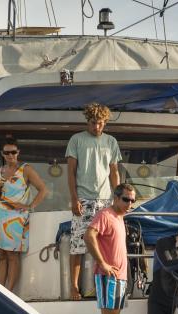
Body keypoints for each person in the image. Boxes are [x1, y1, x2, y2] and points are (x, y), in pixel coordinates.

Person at [66, 102, 122, 300]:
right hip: (83, 199)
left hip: (106, 201)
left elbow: (114, 172)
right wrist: (74, 199)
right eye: (92, 123)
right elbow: (71, 172)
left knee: (107, 245)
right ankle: (74, 288)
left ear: (105, 122)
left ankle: (106, 286)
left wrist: (118, 199)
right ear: (87, 122)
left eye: (99, 123)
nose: (96, 127)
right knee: (78, 245)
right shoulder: (76, 140)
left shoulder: (111, 142)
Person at [84, 183, 136, 314]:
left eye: (132, 200)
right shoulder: (105, 215)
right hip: (109, 276)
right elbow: (89, 236)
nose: (129, 203)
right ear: (116, 198)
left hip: (119, 277)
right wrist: (103, 263)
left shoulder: (119, 218)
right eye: (126, 199)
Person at [0, 135, 49, 292]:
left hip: (16, 218)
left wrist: (30, 206)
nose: (11, 156)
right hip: (0, 215)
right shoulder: (1, 171)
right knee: (1, 255)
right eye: (7, 153)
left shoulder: (26, 169)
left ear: (18, 152)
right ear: (2, 154)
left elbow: (43, 189)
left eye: (13, 152)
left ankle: (9, 293)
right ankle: (0, 291)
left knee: (12, 256)